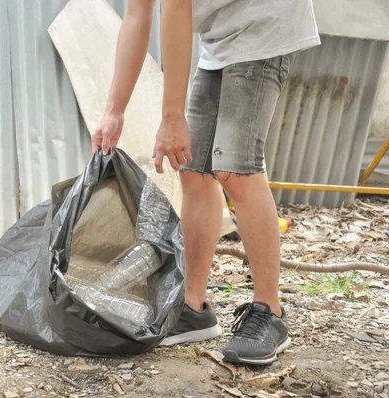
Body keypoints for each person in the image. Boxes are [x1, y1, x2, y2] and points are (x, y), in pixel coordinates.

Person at [91, 0, 320, 365]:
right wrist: (114, 111)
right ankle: (193, 307)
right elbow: (138, 14)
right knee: (194, 170)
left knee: (236, 168)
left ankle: (270, 312)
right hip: (222, 34)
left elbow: (177, 8)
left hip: (265, 20)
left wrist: (172, 118)